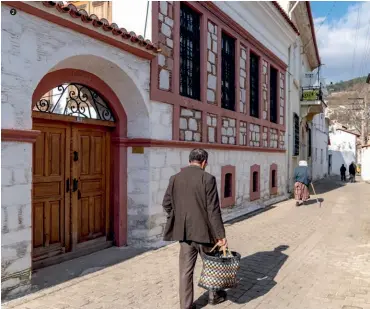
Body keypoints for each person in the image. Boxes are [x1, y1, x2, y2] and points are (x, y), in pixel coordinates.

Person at [162, 148, 227, 309]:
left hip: (184, 233)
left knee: (185, 271)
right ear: (204, 162)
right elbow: (213, 210)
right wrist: (220, 235)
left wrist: (177, 219)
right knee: (212, 265)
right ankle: (214, 296)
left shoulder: (175, 178)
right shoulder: (208, 178)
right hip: (205, 232)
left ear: (189, 160)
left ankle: (186, 306)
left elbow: (166, 204)